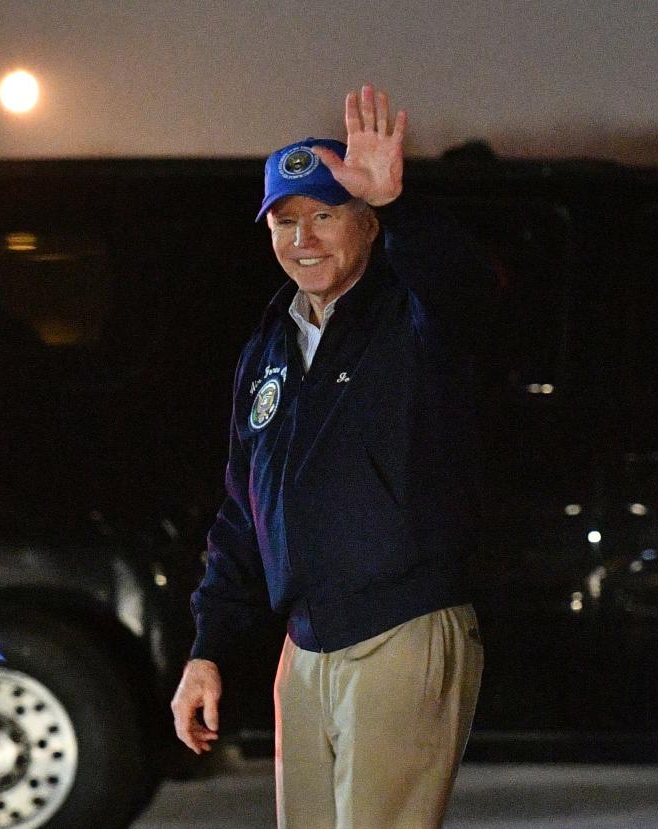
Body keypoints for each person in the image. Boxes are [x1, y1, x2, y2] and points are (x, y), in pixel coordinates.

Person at [171, 84, 493, 829]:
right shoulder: (268, 348)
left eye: (325, 214)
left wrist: (401, 203)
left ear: (369, 225)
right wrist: (208, 647)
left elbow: (469, 292)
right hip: (306, 646)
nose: (303, 239)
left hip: (401, 627)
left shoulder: (411, 320)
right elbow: (242, 513)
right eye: (285, 221)